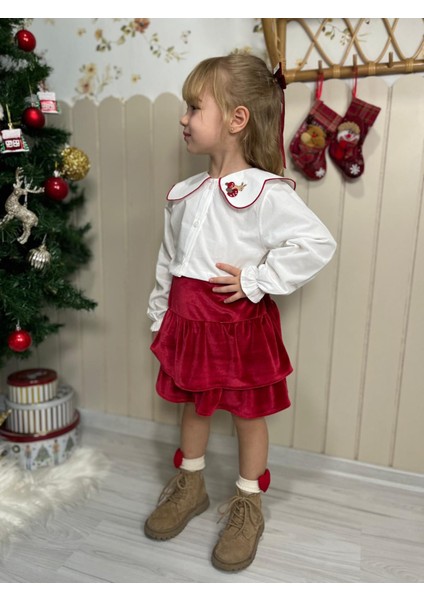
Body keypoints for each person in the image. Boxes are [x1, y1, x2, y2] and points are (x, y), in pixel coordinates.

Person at [145, 54, 337, 572]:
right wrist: (161, 312)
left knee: (249, 414)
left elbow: (317, 243)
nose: (184, 118)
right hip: (189, 324)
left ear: (236, 119)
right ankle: (190, 484)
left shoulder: (265, 194)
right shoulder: (184, 195)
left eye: (194, 107)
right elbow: (169, 259)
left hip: (237, 328)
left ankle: (249, 502)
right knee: (195, 405)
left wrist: (256, 281)